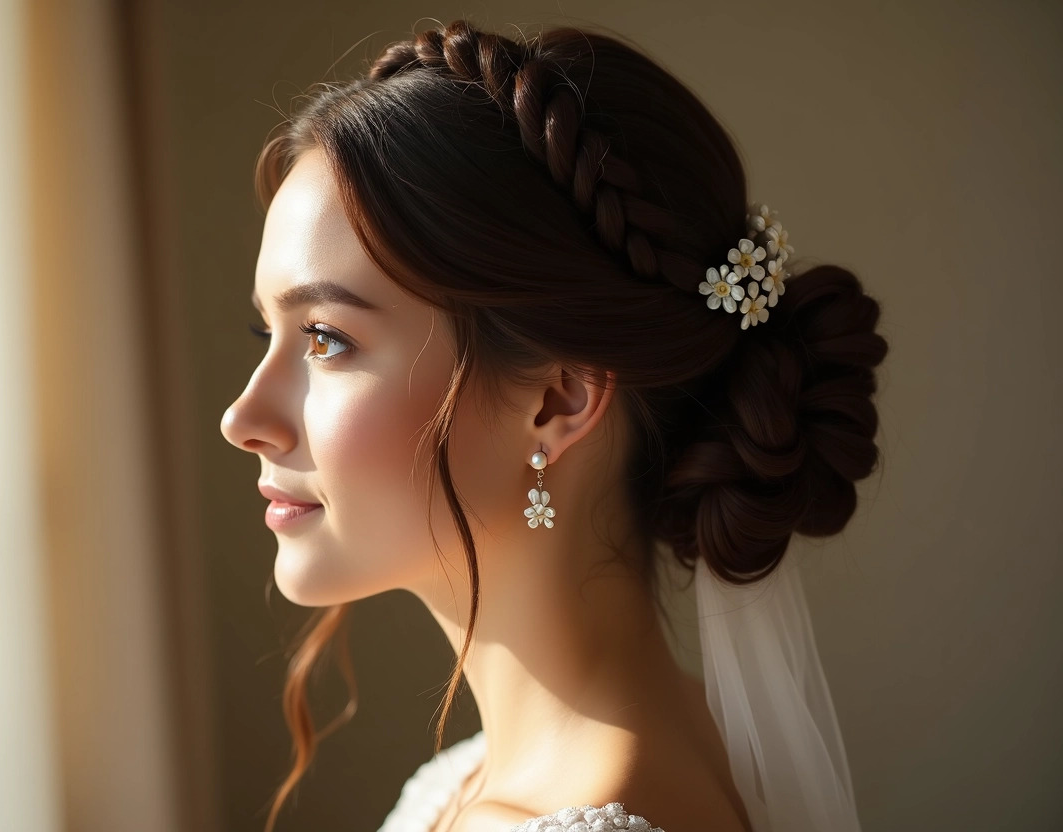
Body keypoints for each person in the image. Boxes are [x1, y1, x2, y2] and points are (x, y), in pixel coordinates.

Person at [220, 18, 887, 832]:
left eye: (326, 339)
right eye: (269, 333)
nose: (242, 418)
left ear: (558, 401)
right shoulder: (609, 758)